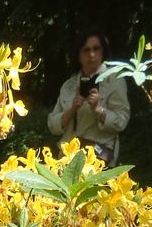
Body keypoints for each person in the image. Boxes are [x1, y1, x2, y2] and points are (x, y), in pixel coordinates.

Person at [47, 30, 130, 164]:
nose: (91, 54)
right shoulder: (68, 85)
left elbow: (121, 121)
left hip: (98, 161)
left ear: (103, 51)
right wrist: (72, 109)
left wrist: (98, 110)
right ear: (78, 55)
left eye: (96, 49)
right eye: (86, 50)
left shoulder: (114, 81)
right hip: (67, 160)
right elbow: (52, 126)